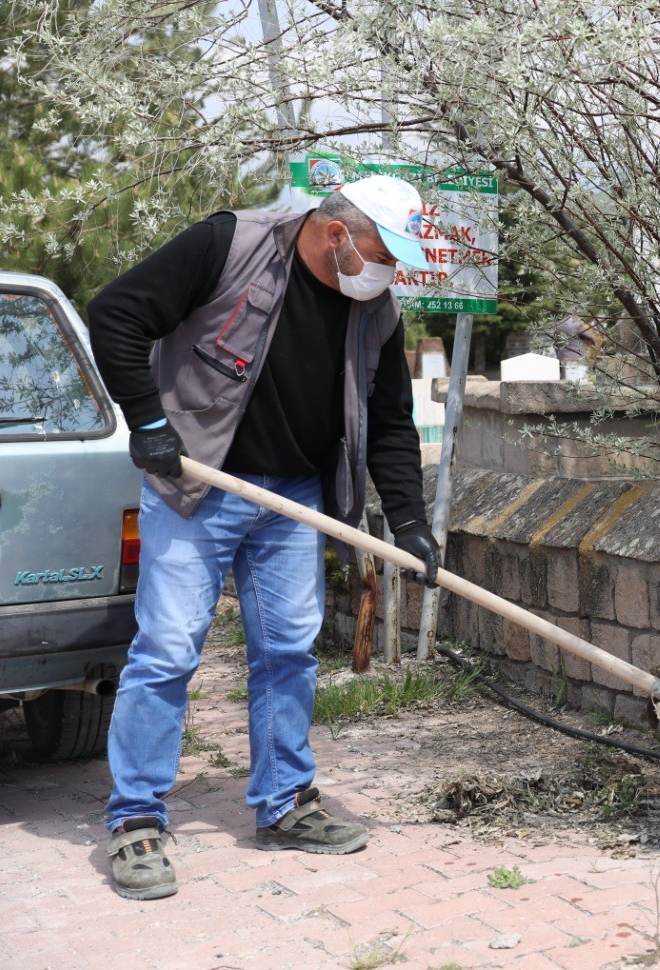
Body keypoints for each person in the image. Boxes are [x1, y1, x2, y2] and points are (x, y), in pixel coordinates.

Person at [85, 175, 442, 901]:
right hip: (199, 487)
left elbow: (391, 421)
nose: (391, 272)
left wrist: (409, 522)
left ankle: (284, 804)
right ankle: (135, 820)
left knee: (287, 650)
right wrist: (150, 423)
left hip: (294, 499)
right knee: (168, 649)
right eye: (385, 251)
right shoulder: (231, 244)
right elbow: (115, 313)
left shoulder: (375, 309)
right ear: (338, 232)